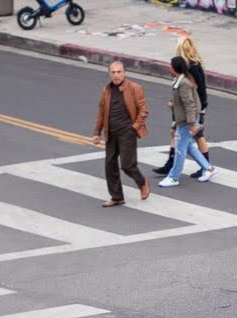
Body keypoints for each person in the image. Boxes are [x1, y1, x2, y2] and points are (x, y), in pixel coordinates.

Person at [92, 60, 150, 207]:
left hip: (127, 132)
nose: (116, 75)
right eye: (113, 72)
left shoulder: (135, 88)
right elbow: (101, 112)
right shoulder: (107, 90)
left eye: (119, 72)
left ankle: (142, 182)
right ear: (109, 73)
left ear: (124, 73)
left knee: (127, 165)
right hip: (111, 132)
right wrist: (97, 132)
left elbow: (143, 110)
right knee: (110, 164)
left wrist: (134, 126)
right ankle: (117, 197)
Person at [153, 36, 211, 178]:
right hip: (184, 108)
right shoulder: (186, 66)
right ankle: (173, 164)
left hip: (193, 109)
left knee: (196, 136)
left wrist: (199, 111)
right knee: (176, 133)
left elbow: (199, 91)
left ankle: (205, 166)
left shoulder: (193, 67)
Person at [158, 56, 217, 187]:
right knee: (189, 147)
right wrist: (173, 103)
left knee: (180, 150)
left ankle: (174, 177)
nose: (169, 68)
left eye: (170, 65)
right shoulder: (180, 80)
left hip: (186, 121)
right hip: (184, 120)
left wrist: (192, 124)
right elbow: (183, 101)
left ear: (175, 68)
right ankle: (208, 168)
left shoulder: (183, 83)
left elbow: (189, 104)